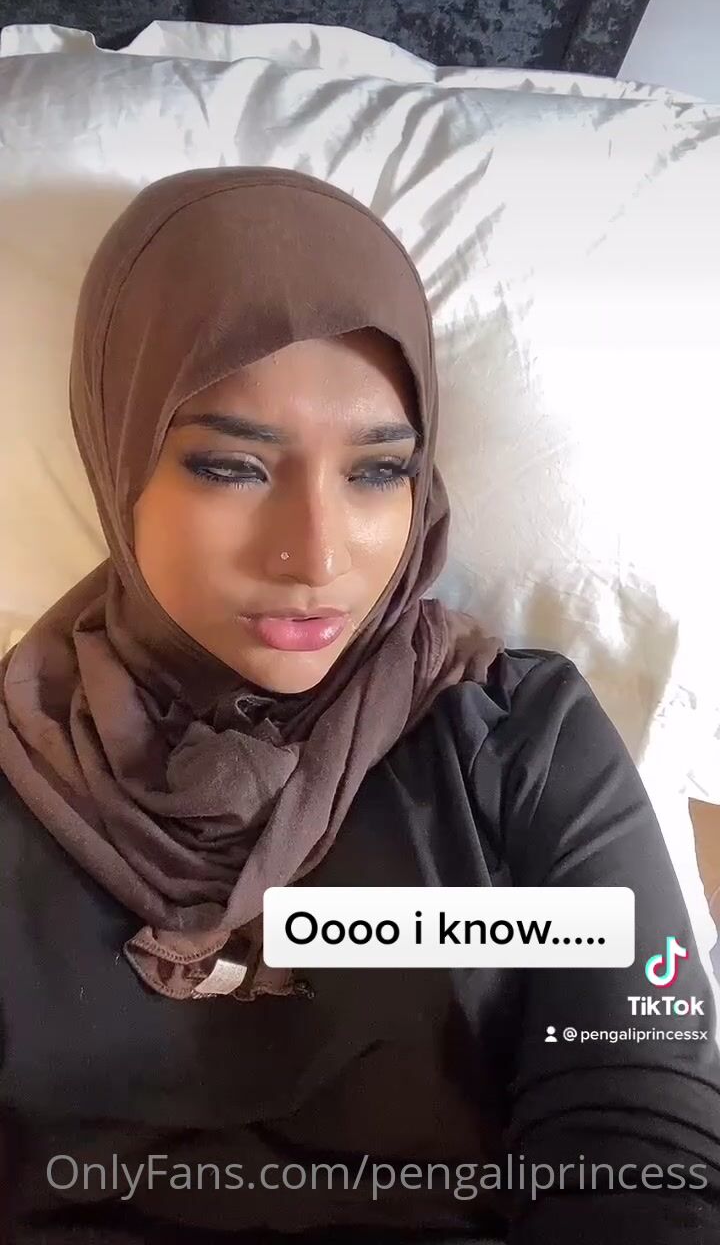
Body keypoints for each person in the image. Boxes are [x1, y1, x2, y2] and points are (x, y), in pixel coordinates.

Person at [0, 165, 718, 1244]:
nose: (318, 555)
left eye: (378, 472)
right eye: (233, 467)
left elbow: (641, 1150)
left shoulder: (518, 738)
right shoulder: (19, 769)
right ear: (118, 449)